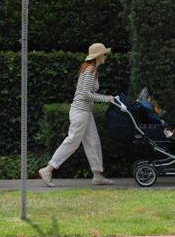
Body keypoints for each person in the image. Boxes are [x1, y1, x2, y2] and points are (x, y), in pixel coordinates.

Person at [38, 43, 116, 187]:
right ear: (98, 56)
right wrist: (107, 98)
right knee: (72, 141)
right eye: (104, 54)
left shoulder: (90, 69)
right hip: (80, 112)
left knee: (93, 141)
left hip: (85, 112)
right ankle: (48, 169)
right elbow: (86, 94)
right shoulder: (91, 69)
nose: (106, 56)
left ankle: (97, 175)